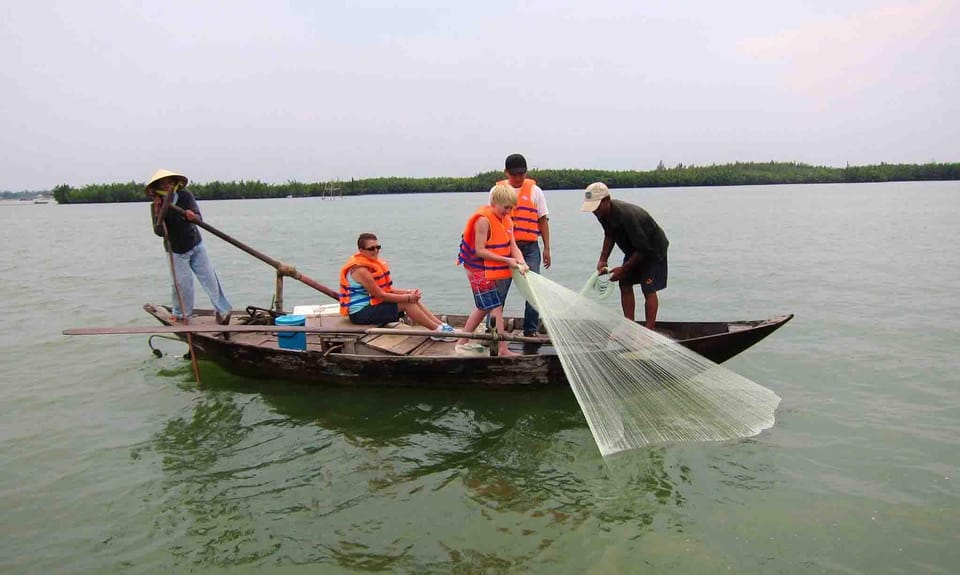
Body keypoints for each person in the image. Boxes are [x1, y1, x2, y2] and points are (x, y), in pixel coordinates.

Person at [146, 169, 232, 324]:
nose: (167, 186)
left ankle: (222, 311)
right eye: (163, 183)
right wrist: (160, 212)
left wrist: (193, 217)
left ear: (175, 183)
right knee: (181, 285)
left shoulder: (186, 196)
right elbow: (158, 231)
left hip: (195, 244)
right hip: (176, 251)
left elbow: (198, 217)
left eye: (170, 182)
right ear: (158, 186)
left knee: (210, 279)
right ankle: (181, 315)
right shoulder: (155, 205)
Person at [581, 182, 669, 329]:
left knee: (648, 287)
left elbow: (643, 250)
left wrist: (623, 269)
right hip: (634, 250)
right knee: (625, 283)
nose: (594, 211)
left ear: (607, 200)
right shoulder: (602, 213)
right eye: (592, 208)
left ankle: (649, 330)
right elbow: (610, 234)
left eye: (595, 207)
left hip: (653, 250)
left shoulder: (627, 215)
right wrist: (603, 259)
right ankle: (629, 326)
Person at [339, 233, 456, 341]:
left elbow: (385, 290)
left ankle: (440, 325)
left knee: (411, 298)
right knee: (407, 302)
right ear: (361, 250)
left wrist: (408, 293)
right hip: (360, 314)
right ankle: (438, 332)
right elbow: (380, 295)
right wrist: (408, 298)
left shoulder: (369, 265)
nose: (376, 251)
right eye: (371, 248)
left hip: (369, 306)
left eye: (377, 247)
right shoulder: (361, 270)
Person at [458, 183, 528, 356]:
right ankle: (503, 349)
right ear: (495, 203)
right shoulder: (483, 220)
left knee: (483, 306)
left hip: (489, 266)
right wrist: (507, 261)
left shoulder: (507, 219)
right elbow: (479, 251)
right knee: (496, 307)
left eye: (511, 208)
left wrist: (521, 262)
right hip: (476, 267)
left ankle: (461, 342)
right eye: (506, 207)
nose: (508, 211)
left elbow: (513, 245)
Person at [488, 153, 551, 337]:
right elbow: (490, 219)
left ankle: (530, 331)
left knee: (533, 291)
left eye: (522, 174)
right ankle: (491, 330)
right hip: (503, 248)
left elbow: (543, 220)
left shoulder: (535, 191)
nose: (518, 178)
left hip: (530, 247)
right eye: (514, 174)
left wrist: (547, 248)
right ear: (506, 173)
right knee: (498, 290)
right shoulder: (496, 191)